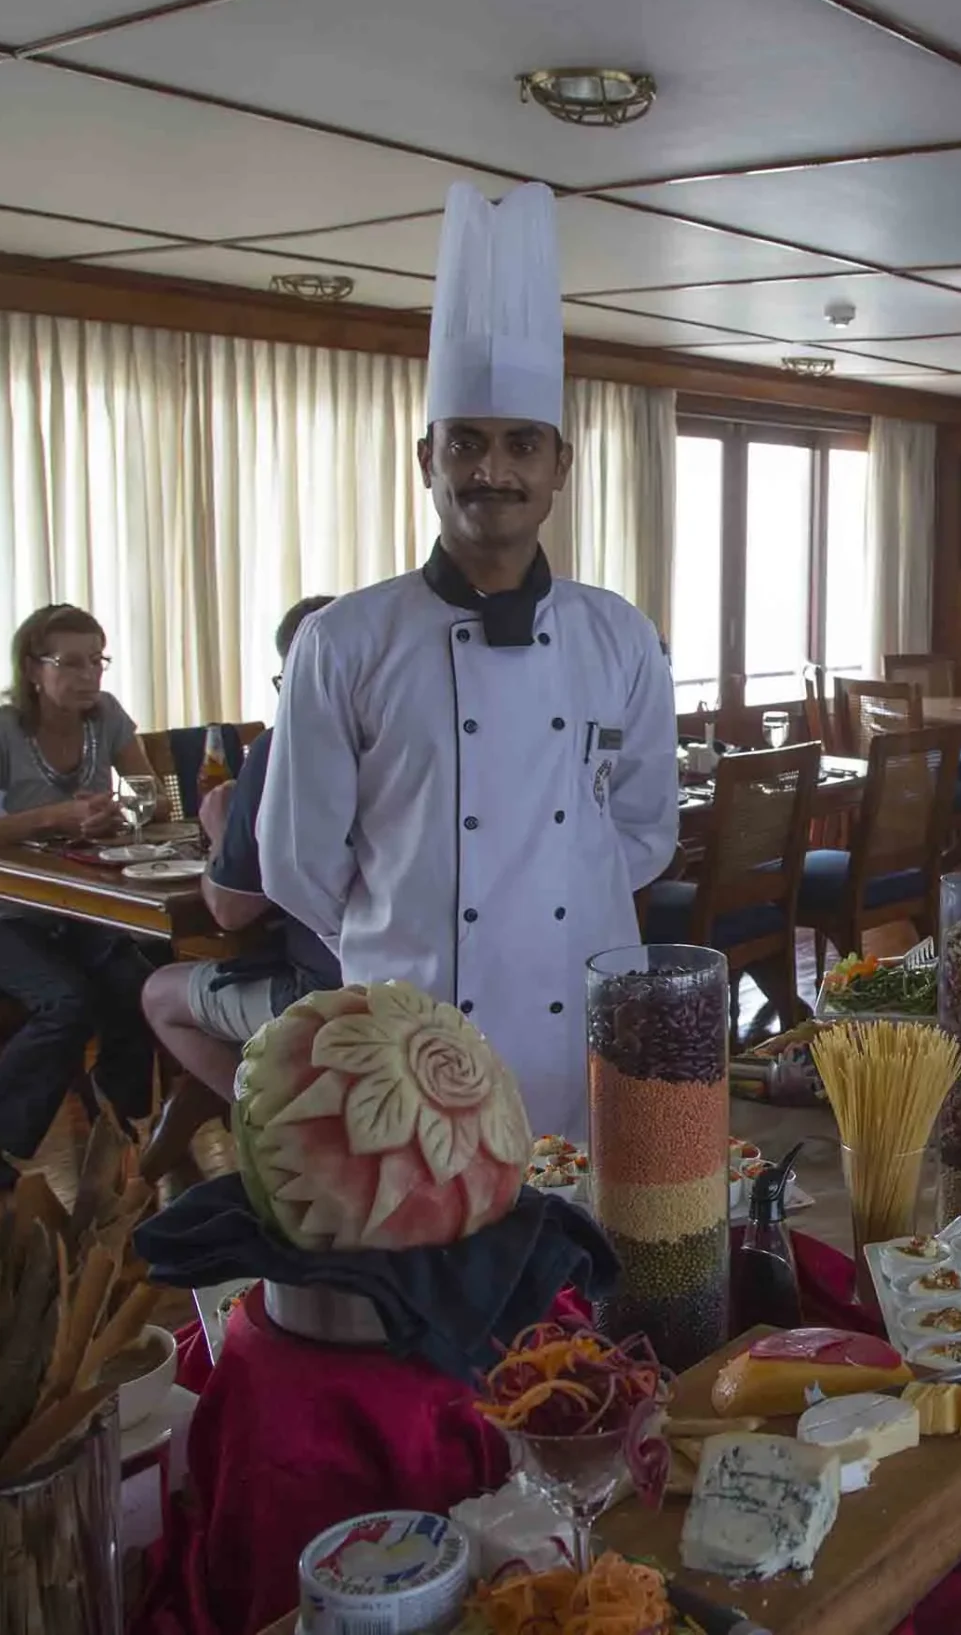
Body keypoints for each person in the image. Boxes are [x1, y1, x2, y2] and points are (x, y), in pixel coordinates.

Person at [262, 182, 678, 1143]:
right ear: (427, 458)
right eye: (467, 445)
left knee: (579, 1220)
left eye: (521, 445)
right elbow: (297, 862)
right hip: (412, 1028)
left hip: (581, 1015)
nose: (493, 471)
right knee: (423, 1223)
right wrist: (406, 930)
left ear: (560, 465)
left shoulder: (621, 635)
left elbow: (645, 826)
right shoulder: (344, 640)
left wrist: (557, 903)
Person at [0, 603, 168, 1189]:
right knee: (69, 1001)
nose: (89, 675)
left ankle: (116, 1126)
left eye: (97, 660)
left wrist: (119, 814)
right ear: (33, 669)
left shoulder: (107, 717)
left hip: (80, 907)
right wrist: (53, 817)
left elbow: (153, 799)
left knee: (138, 988)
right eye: (71, 663)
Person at [141, 597, 341, 1112]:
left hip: (332, 995)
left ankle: (273, 1131)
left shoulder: (284, 746)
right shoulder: (430, 735)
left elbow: (231, 910)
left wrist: (219, 832)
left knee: (159, 993)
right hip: (433, 984)